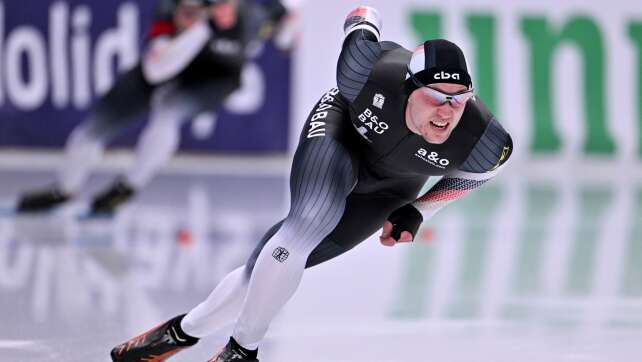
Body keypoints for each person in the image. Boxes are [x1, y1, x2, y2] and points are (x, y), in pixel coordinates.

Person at [109, 5, 513, 362]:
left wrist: (419, 209)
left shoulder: (483, 137)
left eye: (459, 98)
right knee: (306, 224)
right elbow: (363, 15)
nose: (447, 111)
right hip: (340, 134)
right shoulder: (364, 72)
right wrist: (366, 19)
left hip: (393, 185)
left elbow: (479, 174)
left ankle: (181, 331)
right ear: (407, 87)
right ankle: (242, 351)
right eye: (437, 96)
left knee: (268, 264)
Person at [16, 0, 290, 215]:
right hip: (163, 66)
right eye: (189, 11)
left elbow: (287, 28)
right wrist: (201, 30)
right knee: (92, 129)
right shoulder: (170, 12)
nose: (193, 15)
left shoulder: (253, 17)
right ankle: (65, 188)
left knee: (168, 114)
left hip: (213, 79)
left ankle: (128, 186)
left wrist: (289, 29)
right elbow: (155, 72)